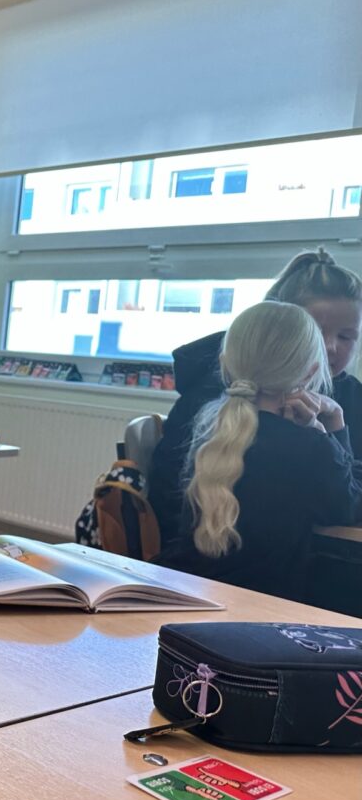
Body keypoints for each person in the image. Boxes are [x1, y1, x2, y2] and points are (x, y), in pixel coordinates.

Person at [150, 249, 362, 544]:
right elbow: (169, 497)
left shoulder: (350, 396)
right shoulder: (211, 399)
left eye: (346, 336)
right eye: (315, 332)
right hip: (250, 559)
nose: (330, 347)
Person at [157, 301, 362, 603]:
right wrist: (335, 426)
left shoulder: (210, 430)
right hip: (261, 607)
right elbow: (350, 507)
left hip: (191, 591)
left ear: (226, 364)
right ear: (310, 374)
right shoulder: (310, 447)